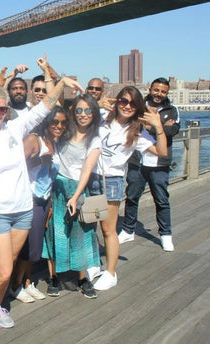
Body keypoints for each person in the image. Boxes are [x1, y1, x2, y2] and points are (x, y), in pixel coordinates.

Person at [0, 58, 83, 333]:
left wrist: (62, 81)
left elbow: (46, 106)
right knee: (3, 270)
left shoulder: (15, 129)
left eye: (1, 109)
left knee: (11, 264)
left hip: (23, 211)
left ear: (7, 111)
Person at [89, 86, 168, 291]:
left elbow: (161, 151)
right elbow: (79, 119)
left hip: (111, 181)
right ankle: (93, 263)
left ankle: (111, 272)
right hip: (92, 177)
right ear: (117, 102)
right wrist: (94, 106)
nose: (127, 106)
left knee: (108, 228)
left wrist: (158, 127)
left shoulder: (137, 131)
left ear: (138, 107)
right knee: (90, 224)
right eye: (123, 101)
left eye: (133, 103)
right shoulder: (103, 117)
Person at [41, 95, 102, 299]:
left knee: (82, 234)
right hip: (56, 186)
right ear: (73, 111)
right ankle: (54, 277)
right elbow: (52, 102)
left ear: (94, 114)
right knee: (54, 231)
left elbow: (87, 169)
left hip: (78, 189)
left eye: (87, 111)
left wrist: (75, 196)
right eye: (79, 110)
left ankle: (83, 278)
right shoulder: (64, 130)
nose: (83, 115)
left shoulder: (94, 138)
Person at [11, 106, 67, 303]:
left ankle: (27, 281)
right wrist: (39, 161)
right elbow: (13, 166)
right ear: (46, 122)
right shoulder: (34, 140)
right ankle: (15, 286)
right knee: (27, 248)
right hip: (29, 200)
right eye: (55, 122)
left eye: (62, 123)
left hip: (44, 201)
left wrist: (50, 203)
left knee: (35, 247)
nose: (59, 126)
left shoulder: (54, 142)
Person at [121, 78, 180, 251]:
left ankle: (166, 234)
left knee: (161, 199)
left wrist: (152, 125)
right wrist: (160, 125)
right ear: (150, 89)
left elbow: (173, 130)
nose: (159, 94)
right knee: (132, 197)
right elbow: (128, 123)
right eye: (156, 90)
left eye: (163, 92)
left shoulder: (172, 109)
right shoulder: (138, 106)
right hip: (137, 160)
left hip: (159, 163)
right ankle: (128, 229)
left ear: (167, 93)